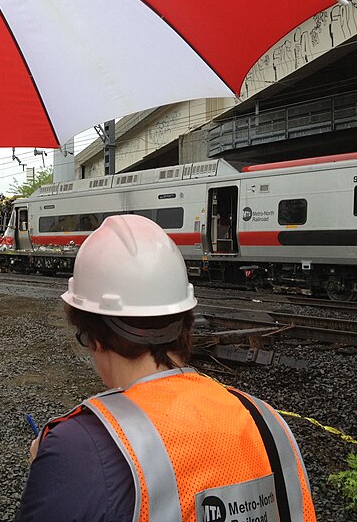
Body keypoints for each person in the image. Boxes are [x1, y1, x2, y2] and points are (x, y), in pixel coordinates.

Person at [16, 215, 316, 522]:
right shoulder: (268, 421)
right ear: (186, 321)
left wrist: (54, 470)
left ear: (93, 336)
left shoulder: (77, 447)